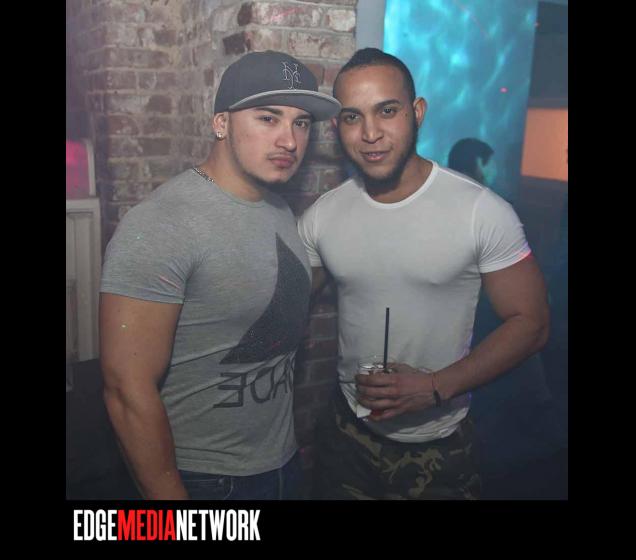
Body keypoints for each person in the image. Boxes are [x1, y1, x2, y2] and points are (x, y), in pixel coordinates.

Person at [297, 48, 550, 500]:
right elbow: (288, 305)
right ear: (337, 128)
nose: (370, 133)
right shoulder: (323, 215)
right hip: (345, 436)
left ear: (417, 113)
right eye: (353, 117)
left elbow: (532, 324)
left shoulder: (481, 211)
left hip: (439, 445)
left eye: (387, 111)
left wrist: (435, 386)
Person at [99, 50, 341, 500]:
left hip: (283, 464)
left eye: (302, 123)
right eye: (268, 118)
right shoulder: (161, 224)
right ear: (221, 124)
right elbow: (126, 389)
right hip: (202, 479)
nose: (289, 140)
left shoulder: (279, 209)